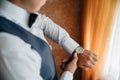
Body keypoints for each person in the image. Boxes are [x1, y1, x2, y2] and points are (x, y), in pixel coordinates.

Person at [0, 0, 98, 80]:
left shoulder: (20, 12)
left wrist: (79, 50)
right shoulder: (8, 47)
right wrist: (69, 72)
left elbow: (44, 22)